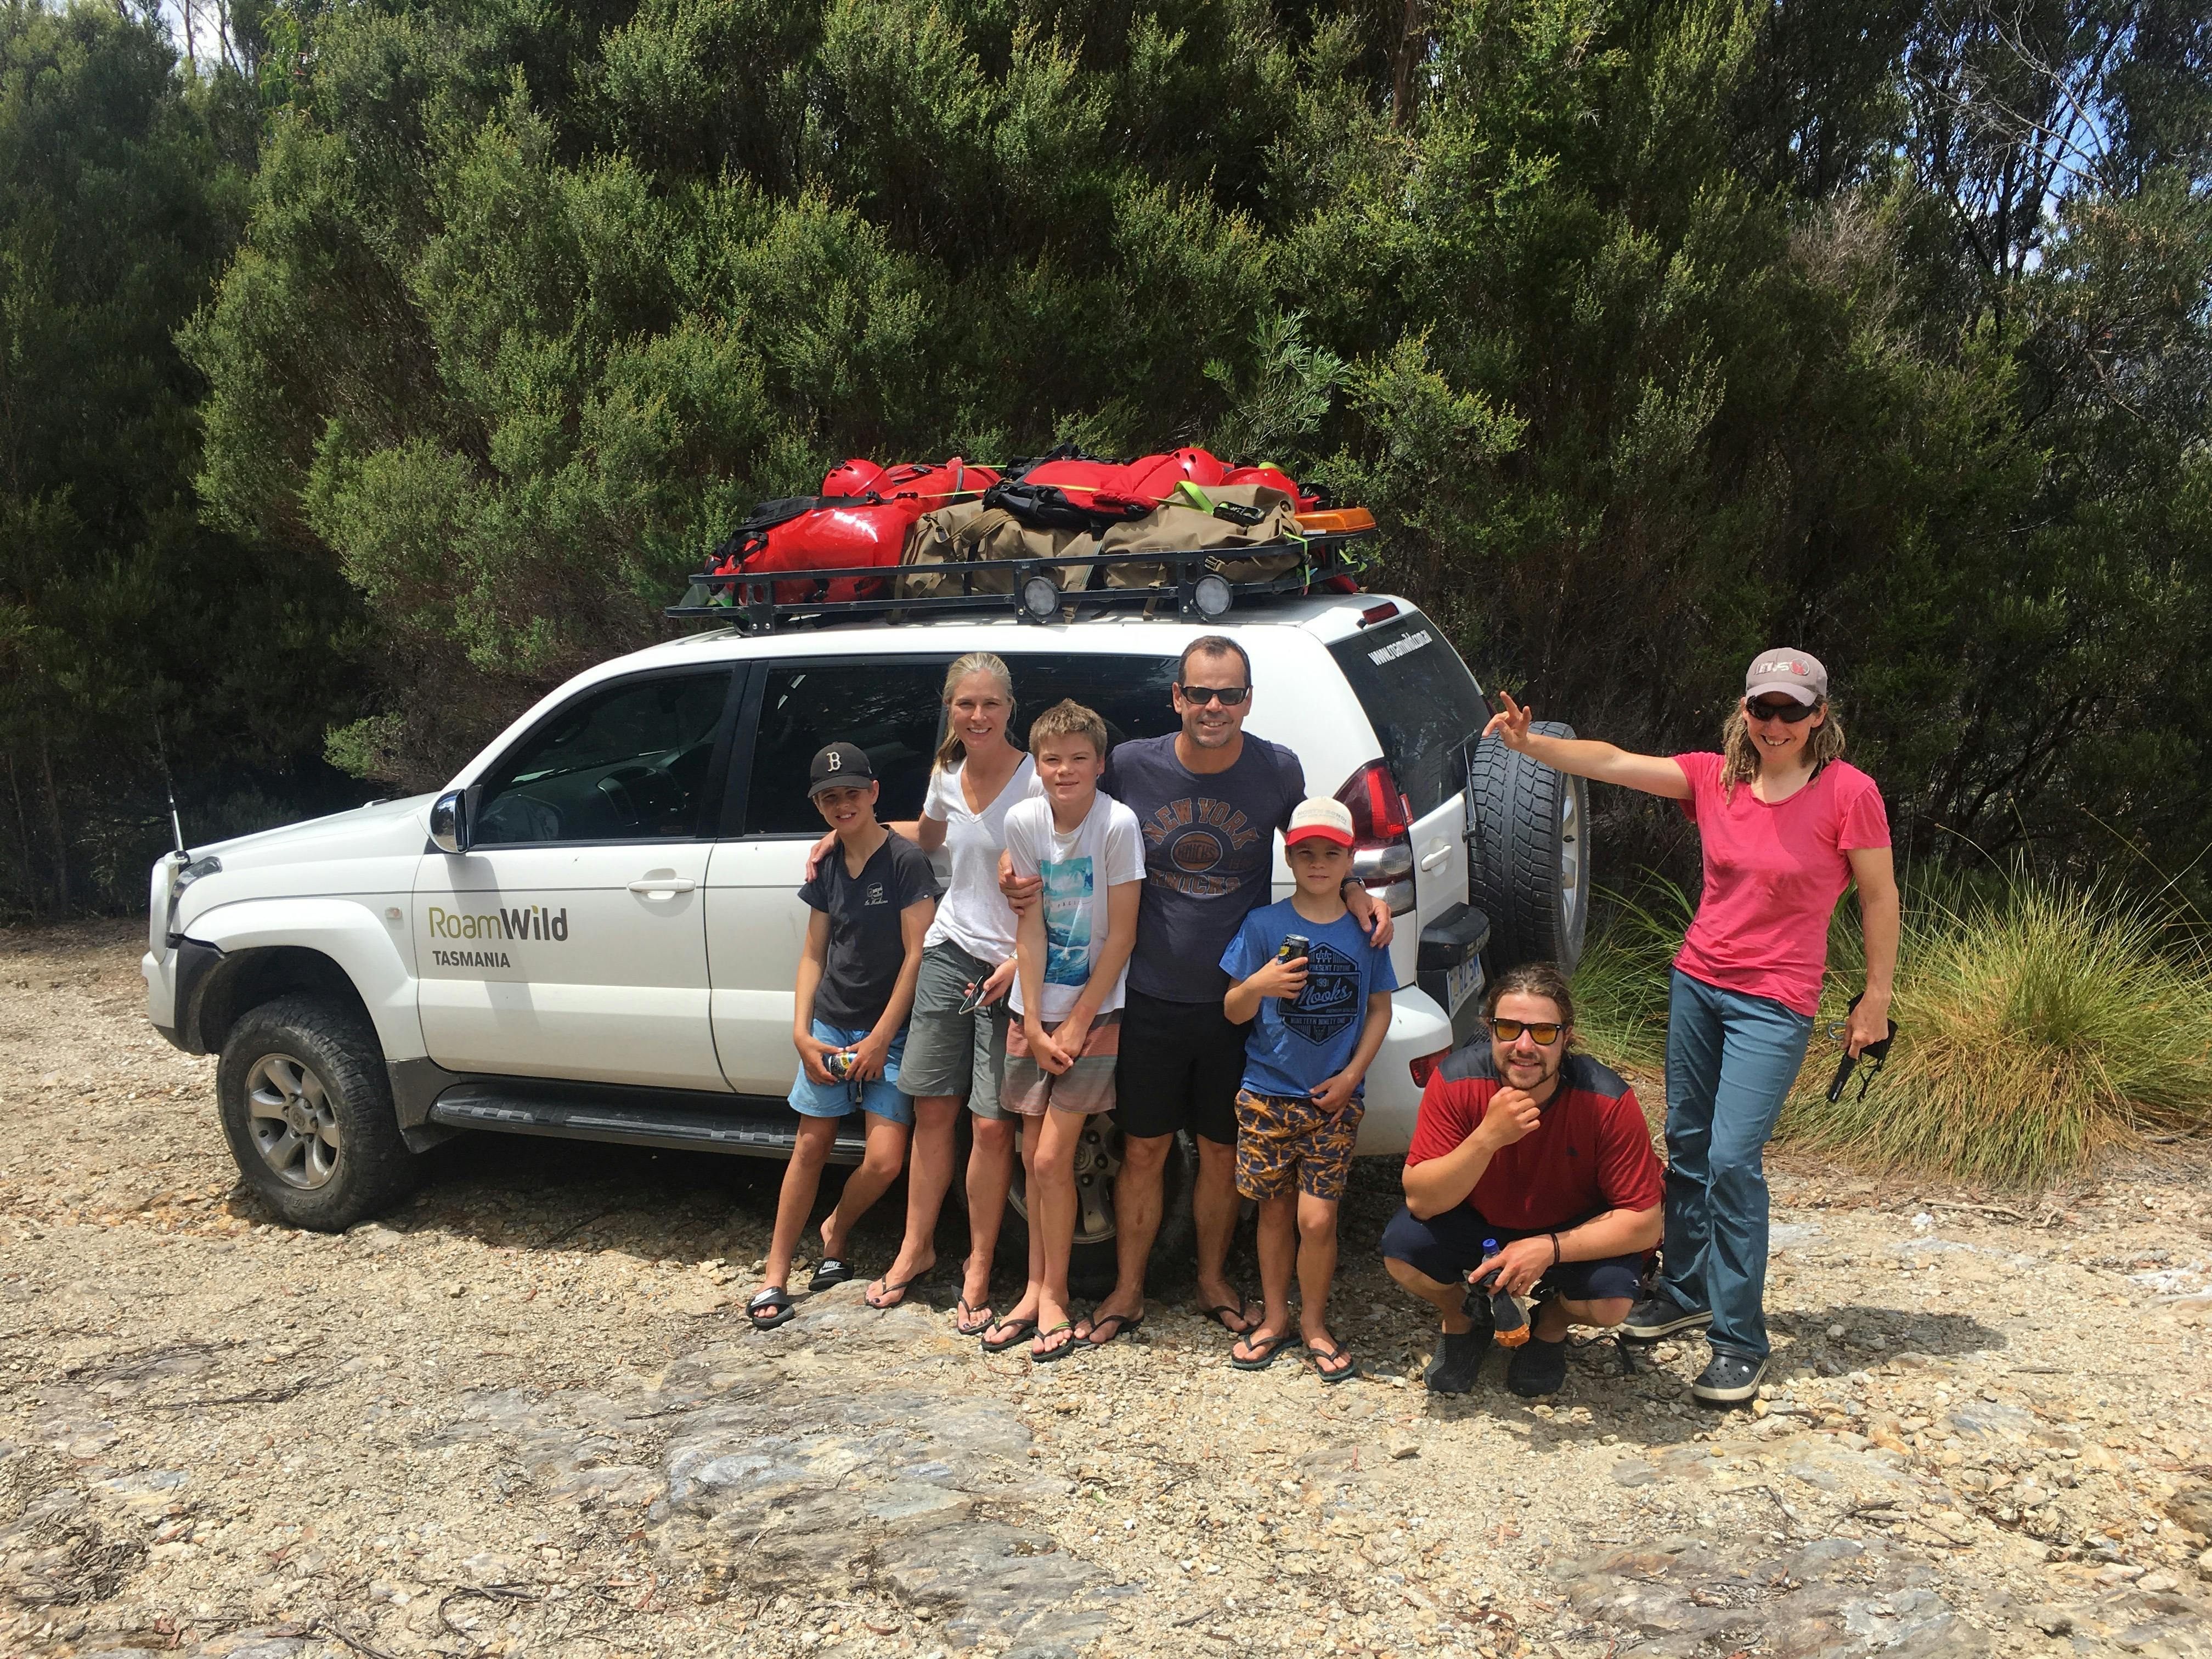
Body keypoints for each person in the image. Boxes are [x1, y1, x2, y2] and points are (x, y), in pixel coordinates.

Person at [1481, 648, 1898, 1403]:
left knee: (1736, 1161)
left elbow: (1878, 896)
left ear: (1820, 717)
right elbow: (1612, 761)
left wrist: (1875, 998)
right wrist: (1530, 745)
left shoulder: (1849, 794)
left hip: (1775, 1000)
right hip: (1700, 983)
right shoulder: (1717, 778)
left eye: (1792, 712)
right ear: (1746, 710)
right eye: (1763, 710)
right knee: (1692, 1146)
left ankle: (1740, 1338)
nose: (1776, 726)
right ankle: (1686, 1288)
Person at [1005, 636, 1392, 1347]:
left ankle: (1212, 1279)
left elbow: (1313, 846)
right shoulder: (1129, 764)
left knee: (1219, 1153)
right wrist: (1013, 865)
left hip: (1235, 1002)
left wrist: (1359, 890)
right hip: (1147, 995)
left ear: (1248, 700)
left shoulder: (1277, 768)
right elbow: (1066, 820)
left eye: (1231, 694)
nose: (1215, 707)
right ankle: (1129, 1288)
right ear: (1177, 697)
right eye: (1202, 693)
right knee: (1145, 1151)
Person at [1381, 964, 1664, 1397]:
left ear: (1567, 1036)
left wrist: (1548, 1248)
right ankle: (1464, 1318)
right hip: (1480, 1220)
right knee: (1402, 1252)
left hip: (1568, 1227)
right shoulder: (1458, 1080)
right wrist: (1487, 1139)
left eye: (1543, 1032)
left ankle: (1549, 1325)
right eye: (1509, 1028)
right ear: (1490, 1030)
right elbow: (1421, 1200)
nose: (1525, 1046)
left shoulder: (1605, 1099)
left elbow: (1645, 1222)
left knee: (1611, 1303)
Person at [858, 654, 1037, 1328]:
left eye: (990, 704)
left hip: (1014, 965)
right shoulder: (945, 776)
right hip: (949, 951)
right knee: (932, 1111)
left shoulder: (1036, 782)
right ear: (950, 709)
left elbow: (1070, 882)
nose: (979, 717)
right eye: (966, 705)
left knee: (992, 1125)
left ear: (1010, 707)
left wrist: (1023, 963)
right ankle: (917, 1248)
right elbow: (926, 840)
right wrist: (843, 832)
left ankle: (981, 1261)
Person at [748, 743, 939, 1331]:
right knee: (811, 1145)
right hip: (831, 1022)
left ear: (874, 793)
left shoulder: (905, 862)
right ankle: (775, 1275)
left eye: (853, 793)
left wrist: (883, 1036)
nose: (842, 804)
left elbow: (917, 957)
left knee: (884, 1161)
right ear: (819, 805)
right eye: (829, 797)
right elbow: (812, 955)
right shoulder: (827, 866)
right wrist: (802, 1034)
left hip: (891, 1028)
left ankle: (837, 1229)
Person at [984, 701, 1144, 1361]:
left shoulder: (1117, 824)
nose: (1065, 770)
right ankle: (1034, 1289)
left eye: (1080, 758)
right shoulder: (1022, 821)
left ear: (1101, 764)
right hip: (1036, 1006)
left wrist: (1077, 1023)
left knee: (1053, 1159)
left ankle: (1054, 1295)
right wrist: (1028, 1015)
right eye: (1052, 760)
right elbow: (1031, 923)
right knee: (1031, 1156)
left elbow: (1123, 934)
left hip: (1096, 1011)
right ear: (1037, 767)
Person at [1218, 798, 1396, 1381]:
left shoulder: (1367, 930)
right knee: (1273, 1215)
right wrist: (1262, 983)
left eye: (1332, 853)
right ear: (1289, 857)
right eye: (1306, 853)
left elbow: (1378, 1010)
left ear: (1349, 860)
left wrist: (1352, 1078)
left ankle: (1315, 1323)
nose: (1318, 863)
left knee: (1318, 1220)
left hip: (1333, 1100)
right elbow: (1233, 1010)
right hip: (1268, 1093)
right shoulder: (1263, 926)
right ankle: (1275, 1318)